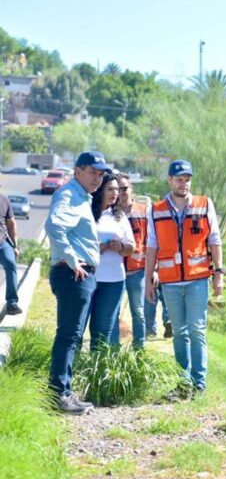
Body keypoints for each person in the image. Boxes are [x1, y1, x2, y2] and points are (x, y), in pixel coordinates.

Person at [145, 160, 224, 393]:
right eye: (179, 179)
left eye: (187, 179)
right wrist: (149, 279)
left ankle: (199, 383)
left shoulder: (204, 204)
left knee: (197, 330)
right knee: (179, 332)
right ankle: (183, 382)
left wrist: (218, 274)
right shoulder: (157, 209)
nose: (184, 184)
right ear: (170, 180)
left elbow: (215, 240)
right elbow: (152, 245)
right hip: (170, 282)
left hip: (197, 280)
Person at [46, 150, 110, 414]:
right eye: (92, 172)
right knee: (69, 336)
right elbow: (54, 226)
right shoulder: (70, 195)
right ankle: (58, 395)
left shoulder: (81, 196)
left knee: (72, 336)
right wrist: (73, 260)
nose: (97, 178)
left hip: (79, 274)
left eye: (100, 174)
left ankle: (64, 392)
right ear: (77, 171)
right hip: (73, 274)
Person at [89, 173, 135, 348]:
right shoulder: (87, 212)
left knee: (103, 331)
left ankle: (96, 368)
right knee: (78, 329)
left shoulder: (119, 216)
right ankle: (74, 369)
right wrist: (95, 249)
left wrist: (121, 247)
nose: (115, 193)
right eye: (110, 189)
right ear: (100, 189)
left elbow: (132, 246)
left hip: (114, 282)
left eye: (117, 189)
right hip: (88, 278)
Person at [111, 174, 147, 349]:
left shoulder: (143, 211)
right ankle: (113, 348)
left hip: (137, 270)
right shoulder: (111, 212)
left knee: (138, 311)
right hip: (115, 269)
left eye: (124, 188)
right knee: (113, 311)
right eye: (118, 189)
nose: (122, 193)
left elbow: (151, 241)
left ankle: (139, 348)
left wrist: (153, 269)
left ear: (131, 188)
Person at [0, 185, 21, 315]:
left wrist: (15, 245)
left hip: (2, 243)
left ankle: (12, 303)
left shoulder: (4, 200)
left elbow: (11, 223)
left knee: (11, 264)